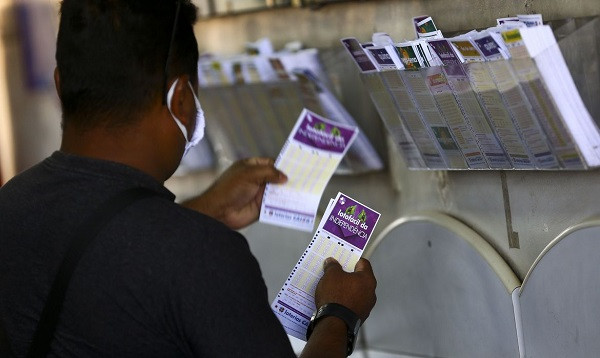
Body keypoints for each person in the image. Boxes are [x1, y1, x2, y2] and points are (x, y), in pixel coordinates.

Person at [0, 0, 377, 357]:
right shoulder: (203, 258)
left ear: (60, 84)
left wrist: (200, 212)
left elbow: (104, 256)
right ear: (181, 98)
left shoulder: (12, 205)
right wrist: (339, 315)